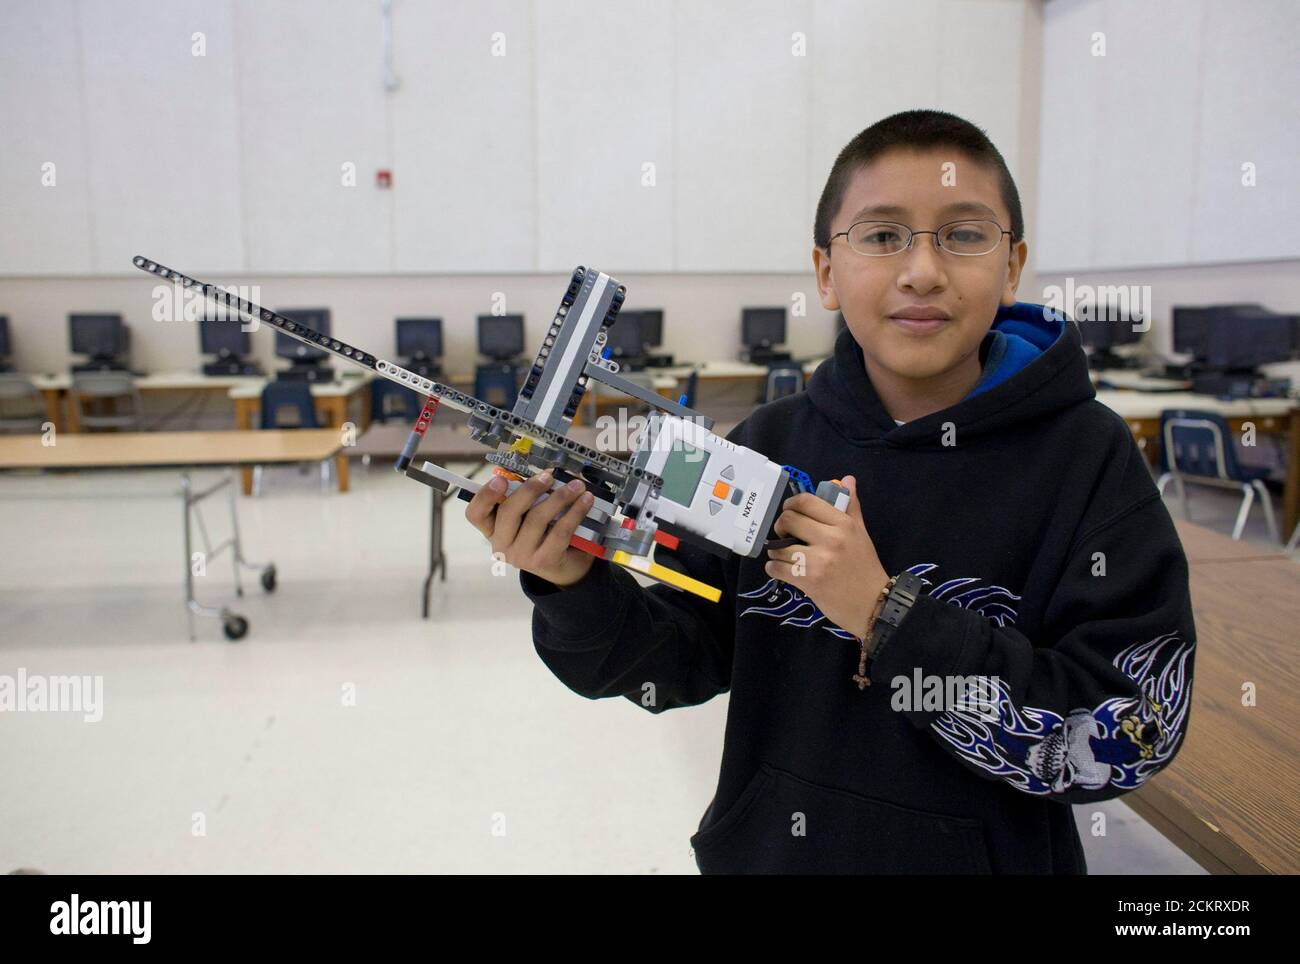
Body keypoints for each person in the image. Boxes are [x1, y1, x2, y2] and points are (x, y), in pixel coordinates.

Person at [466, 109, 1196, 874]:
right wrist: (571, 582)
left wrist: (886, 615)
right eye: (882, 236)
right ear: (824, 272)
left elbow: (1122, 739)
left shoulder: (1088, 460)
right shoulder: (768, 448)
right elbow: (666, 667)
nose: (922, 270)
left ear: (1012, 265)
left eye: (964, 234)